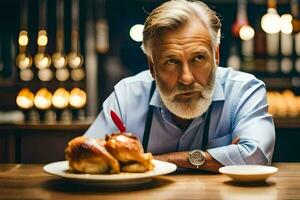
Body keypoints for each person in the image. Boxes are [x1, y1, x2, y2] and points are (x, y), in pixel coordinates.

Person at [84, 0, 275, 172]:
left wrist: (157, 161)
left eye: (198, 58)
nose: (186, 78)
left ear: (216, 56)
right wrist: (225, 157)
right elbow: (89, 153)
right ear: (152, 66)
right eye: (171, 61)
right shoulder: (126, 96)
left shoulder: (244, 90)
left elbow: (255, 157)